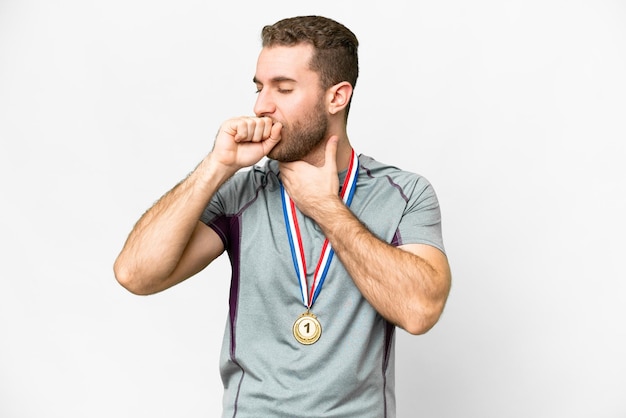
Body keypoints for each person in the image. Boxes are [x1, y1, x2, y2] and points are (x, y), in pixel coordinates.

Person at [114, 15, 451, 418]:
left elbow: (419, 311)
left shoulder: (404, 193)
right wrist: (217, 166)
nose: (261, 106)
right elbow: (135, 274)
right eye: (259, 87)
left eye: (283, 88)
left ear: (337, 97)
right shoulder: (241, 191)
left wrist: (325, 208)